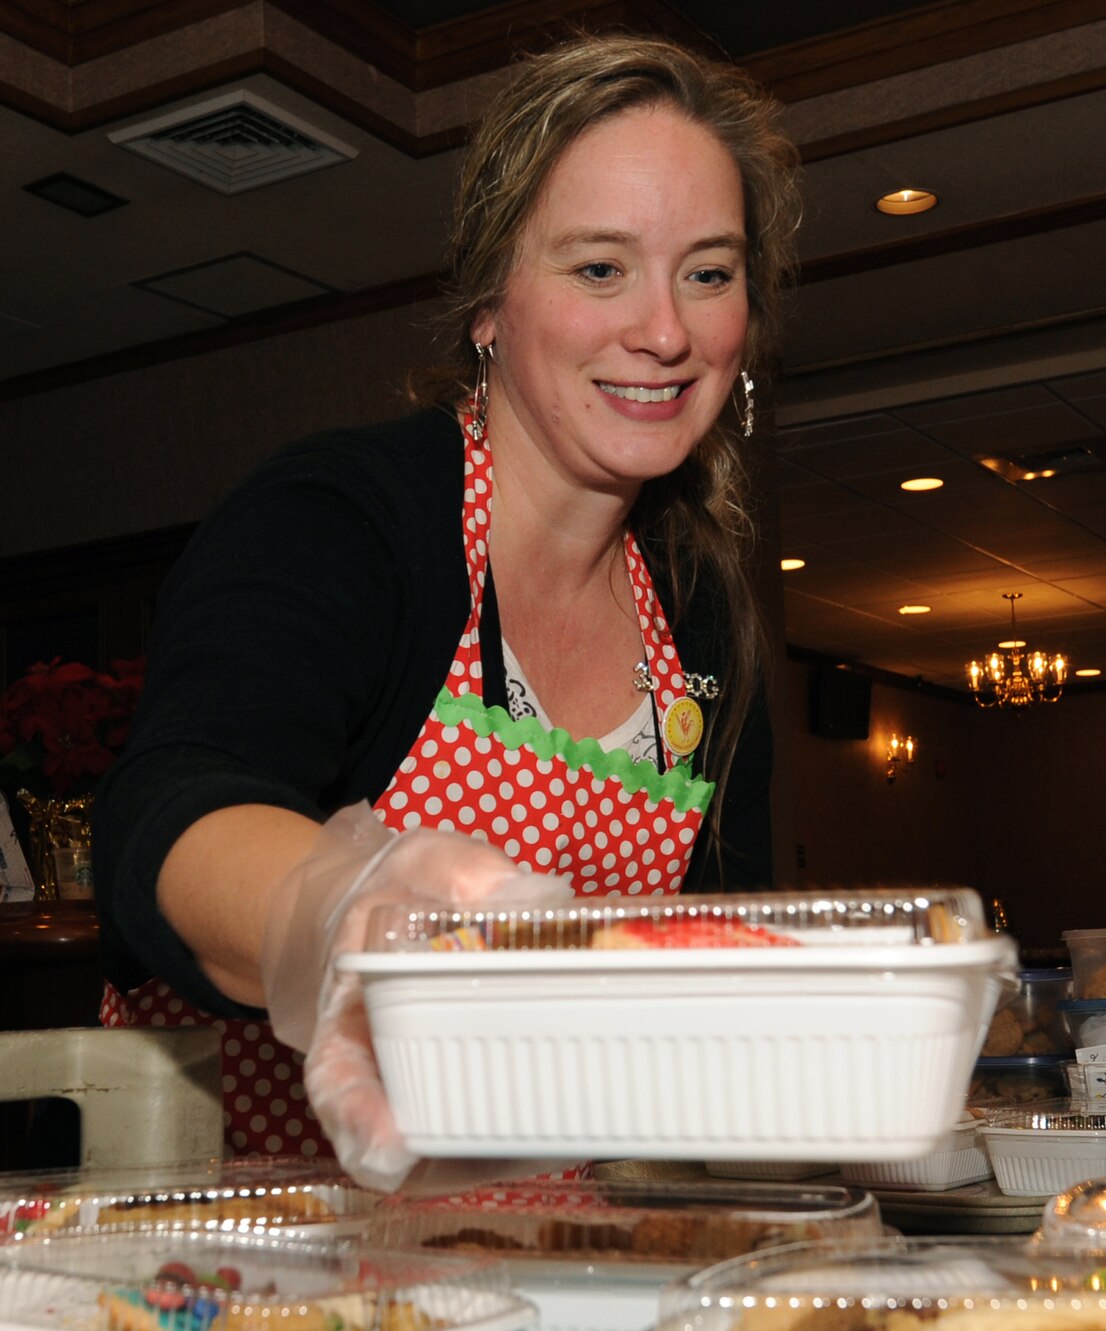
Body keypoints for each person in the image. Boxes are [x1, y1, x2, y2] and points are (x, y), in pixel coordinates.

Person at [93, 34, 802, 1187]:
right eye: (598, 268)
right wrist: (340, 911)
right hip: (273, 1235)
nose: (666, 331)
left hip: (570, 1246)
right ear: (488, 305)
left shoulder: (702, 620)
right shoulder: (345, 519)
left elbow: (718, 945)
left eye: (708, 272)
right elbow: (170, 807)